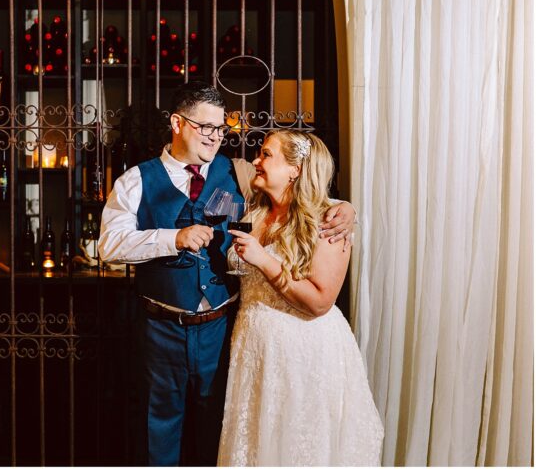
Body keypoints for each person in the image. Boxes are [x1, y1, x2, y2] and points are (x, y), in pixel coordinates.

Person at [98, 82, 356, 467]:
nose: (216, 137)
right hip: (160, 330)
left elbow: (300, 194)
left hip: (221, 329)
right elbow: (109, 246)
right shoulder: (135, 181)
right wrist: (173, 238)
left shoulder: (240, 172)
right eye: (206, 127)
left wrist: (346, 209)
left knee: (221, 434)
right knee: (157, 431)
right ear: (177, 124)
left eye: (221, 128)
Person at [217, 130, 384, 467]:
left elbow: (320, 302)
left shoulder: (328, 222)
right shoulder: (255, 212)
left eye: (267, 155)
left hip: (303, 353)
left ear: (295, 169)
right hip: (255, 350)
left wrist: (264, 260)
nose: (256, 161)